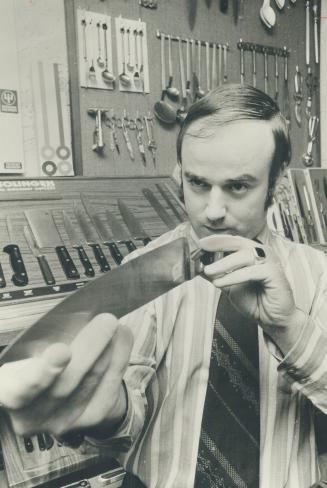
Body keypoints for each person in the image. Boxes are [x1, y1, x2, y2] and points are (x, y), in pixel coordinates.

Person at [1, 83, 327, 488]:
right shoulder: (145, 272)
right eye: (198, 183)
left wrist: (289, 326)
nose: (212, 211)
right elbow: (128, 415)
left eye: (238, 186)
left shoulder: (319, 275)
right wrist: (108, 411)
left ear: (277, 181)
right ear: (180, 174)